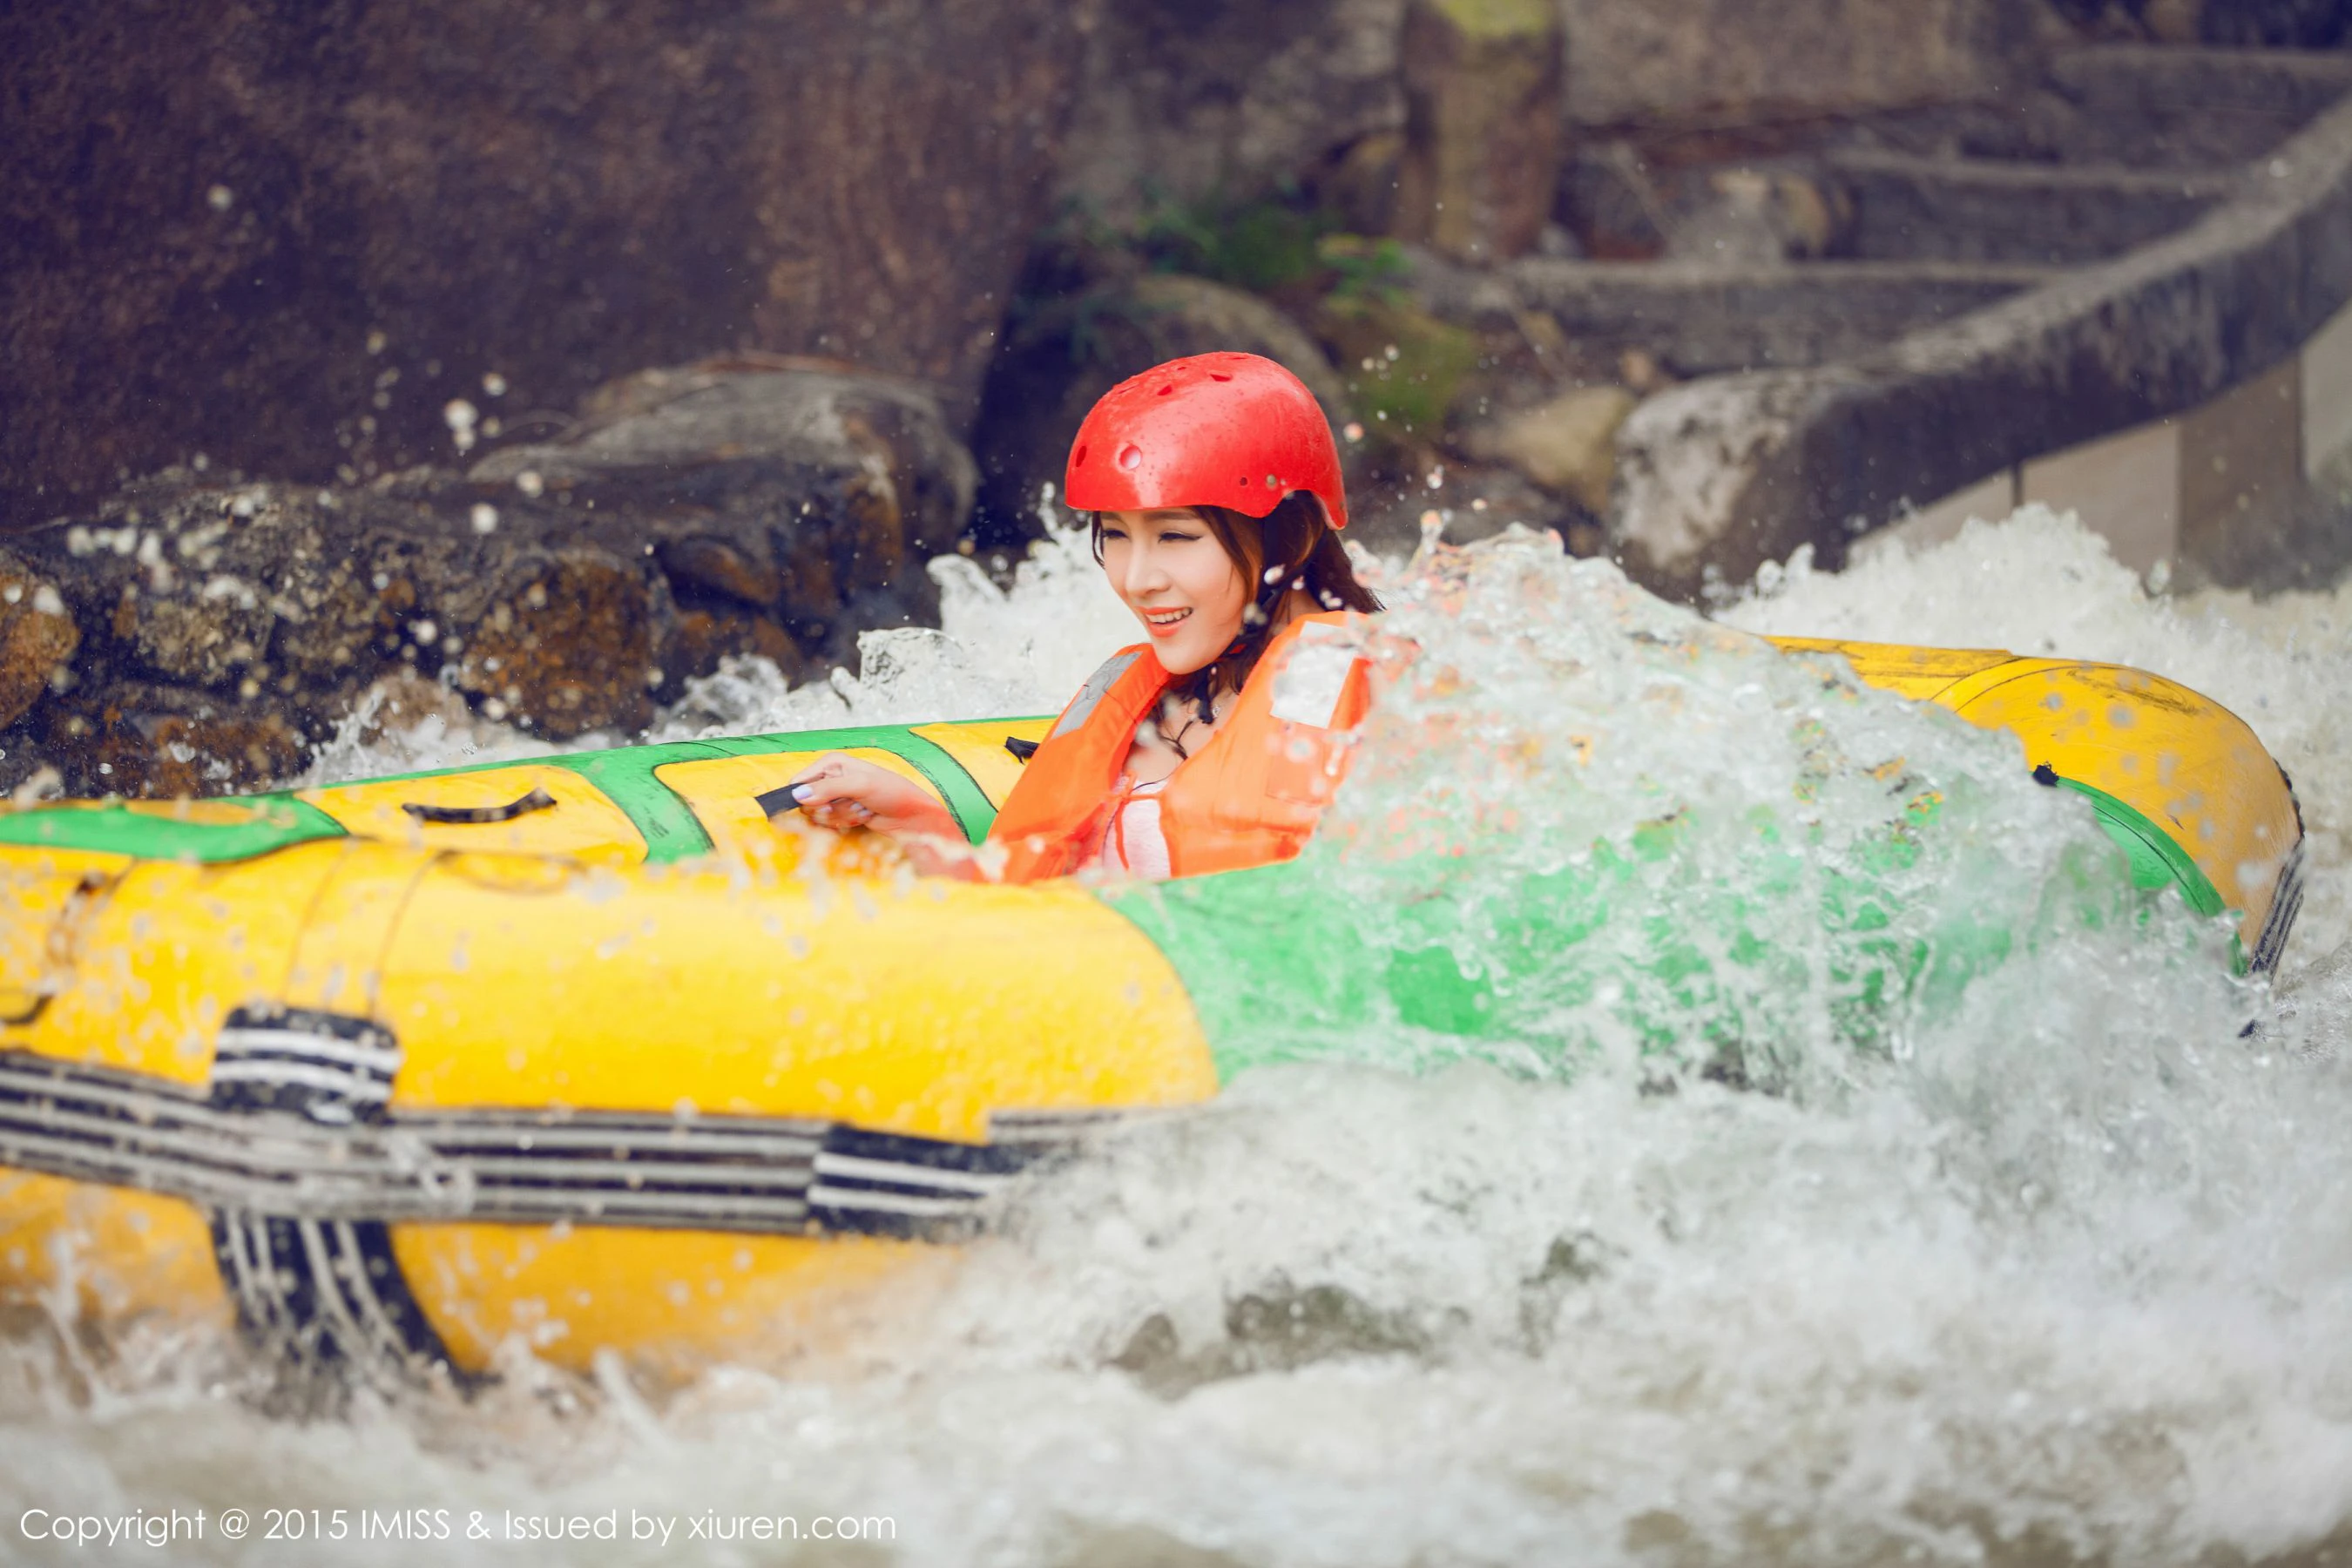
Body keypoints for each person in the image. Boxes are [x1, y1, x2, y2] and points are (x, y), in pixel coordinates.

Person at [781, 351, 1382, 882]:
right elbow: (1036, 896)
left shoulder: (1383, 713)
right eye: (1116, 535)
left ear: (1294, 536)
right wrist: (924, 826)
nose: (1136, 579)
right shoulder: (1144, 700)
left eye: (1175, 536)